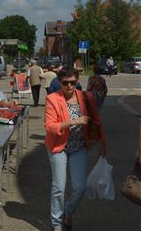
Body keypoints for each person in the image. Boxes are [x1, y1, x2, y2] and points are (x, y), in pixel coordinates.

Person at [44, 67, 106, 231]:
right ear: (60, 82)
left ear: (78, 81)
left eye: (73, 82)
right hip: (59, 147)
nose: (69, 86)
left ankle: (68, 211)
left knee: (80, 187)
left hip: (79, 147)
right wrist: (74, 122)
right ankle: (57, 224)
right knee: (59, 188)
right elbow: (50, 126)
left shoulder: (86, 97)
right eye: (65, 83)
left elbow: (97, 121)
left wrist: (103, 145)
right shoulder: (52, 99)